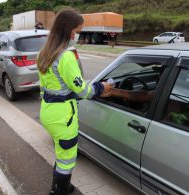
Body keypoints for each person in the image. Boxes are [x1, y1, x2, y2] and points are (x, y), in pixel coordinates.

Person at [37, 9, 112, 195]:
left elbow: (43, 88)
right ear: (68, 30)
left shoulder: (44, 52)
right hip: (64, 117)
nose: (77, 36)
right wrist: (102, 88)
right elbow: (84, 91)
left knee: (61, 152)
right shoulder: (66, 56)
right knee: (67, 158)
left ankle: (62, 186)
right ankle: (59, 191)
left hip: (48, 111)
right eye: (77, 32)